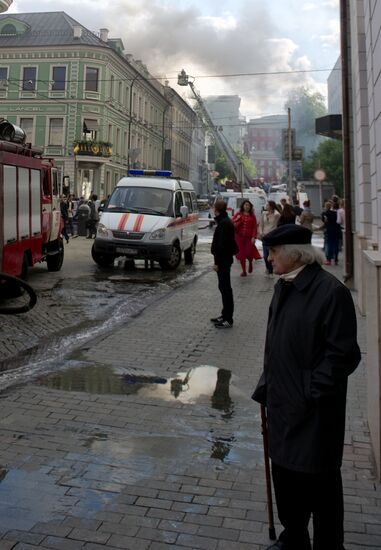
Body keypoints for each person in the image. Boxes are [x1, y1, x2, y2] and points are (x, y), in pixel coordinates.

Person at [252, 224, 361, 550]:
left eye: (272, 252)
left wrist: (310, 392)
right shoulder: (283, 287)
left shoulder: (330, 293)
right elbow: (275, 344)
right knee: (285, 477)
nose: (268, 258)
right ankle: (294, 538)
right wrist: (266, 385)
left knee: (320, 485)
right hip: (282, 405)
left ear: (292, 253)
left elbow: (344, 355)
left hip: (315, 414)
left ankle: (328, 545)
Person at [210, 199, 237, 329]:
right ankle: (224, 314)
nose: (212, 209)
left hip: (223, 261)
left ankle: (228, 318)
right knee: (224, 288)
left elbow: (221, 246)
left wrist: (216, 262)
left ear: (217, 209)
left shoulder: (224, 223)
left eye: (214, 208)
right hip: (224, 260)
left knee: (225, 289)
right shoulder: (224, 221)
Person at [232, 200, 261, 277]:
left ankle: (250, 262)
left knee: (249, 253)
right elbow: (232, 224)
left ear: (250, 206)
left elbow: (255, 227)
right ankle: (244, 271)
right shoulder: (238, 214)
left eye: (248, 205)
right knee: (241, 255)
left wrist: (253, 237)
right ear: (243, 206)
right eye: (245, 205)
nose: (247, 206)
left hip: (249, 238)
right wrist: (237, 219)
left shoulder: (252, 216)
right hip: (239, 237)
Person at [259, 200, 281, 277]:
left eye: (267, 205)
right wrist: (261, 233)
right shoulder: (264, 213)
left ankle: (271, 271)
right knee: (265, 256)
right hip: (264, 236)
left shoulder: (277, 214)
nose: (266, 206)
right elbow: (261, 224)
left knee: (270, 255)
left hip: (272, 237)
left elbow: (277, 226)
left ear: (271, 206)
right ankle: (268, 268)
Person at [322, 200, 341, 265]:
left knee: (329, 244)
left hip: (329, 230)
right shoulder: (335, 213)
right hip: (337, 230)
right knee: (336, 245)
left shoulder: (325, 213)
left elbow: (325, 222)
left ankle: (329, 259)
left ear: (325, 207)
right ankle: (336, 259)